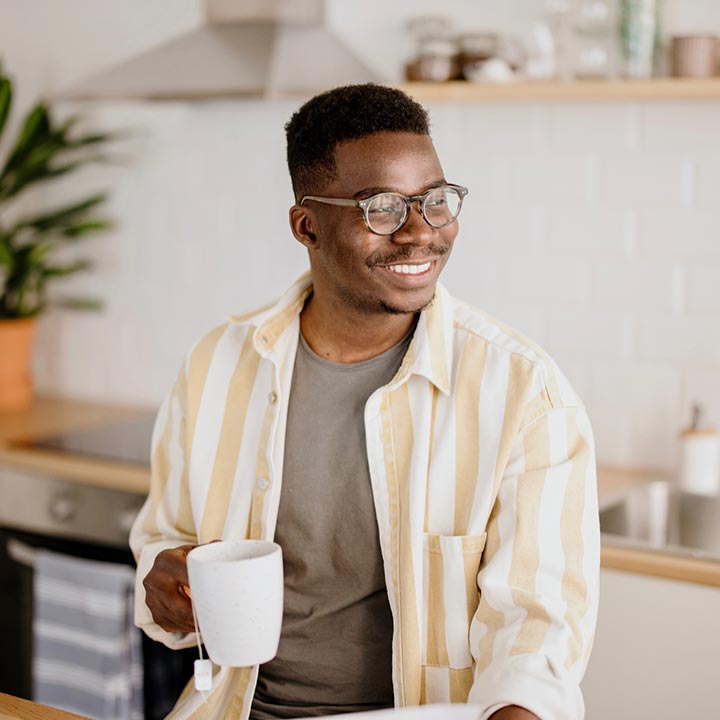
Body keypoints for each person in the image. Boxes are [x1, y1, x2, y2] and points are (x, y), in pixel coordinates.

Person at [130, 83, 600, 720]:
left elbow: (539, 629)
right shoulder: (217, 364)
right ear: (307, 226)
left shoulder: (524, 392)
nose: (420, 232)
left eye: (435, 201)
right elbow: (166, 541)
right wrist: (162, 582)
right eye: (381, 207)